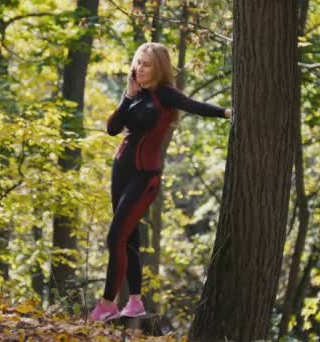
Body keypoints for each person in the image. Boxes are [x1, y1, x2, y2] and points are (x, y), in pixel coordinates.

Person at [89, 42, 232, 322]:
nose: (139, 68)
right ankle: (134, 303)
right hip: (121, 172)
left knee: (114, 237)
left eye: (146, 64)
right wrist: (126, 96)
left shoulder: (164, 95)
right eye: (137, 62)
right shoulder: (134, 95)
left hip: (145, 177)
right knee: (129, 239)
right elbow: (112, 129)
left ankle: (107, 303)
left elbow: (194, 105)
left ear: (159, 68)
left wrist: (227, 113)